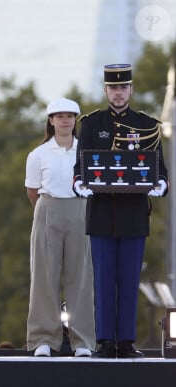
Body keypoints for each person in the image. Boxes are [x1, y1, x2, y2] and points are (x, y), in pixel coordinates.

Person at [73, 64, 169, 358]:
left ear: (130, 90)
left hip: (134, 214)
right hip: (101, 213)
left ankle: (126, 341)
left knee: (129, 279)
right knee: (103, 279)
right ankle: (105, 341)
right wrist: (80, 184)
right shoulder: (90, 124)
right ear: (106, 90)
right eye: (113, 88)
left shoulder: (147, 125)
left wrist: (160, 185)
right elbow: (81, 168)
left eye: (123, 87)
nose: (118, 92)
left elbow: (160, 171)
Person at [24, 97, 95, 357]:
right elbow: (33, 191)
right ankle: (43, 338)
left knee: (82, 277)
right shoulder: (38, 154)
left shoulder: (86, 152)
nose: (65, 120)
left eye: (70, 116)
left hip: (80, 209)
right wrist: (48, 211)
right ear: (51, 121)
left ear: (75, 120)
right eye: (59, 116)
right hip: (48, 208)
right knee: (44, 276)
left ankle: (83, 341)